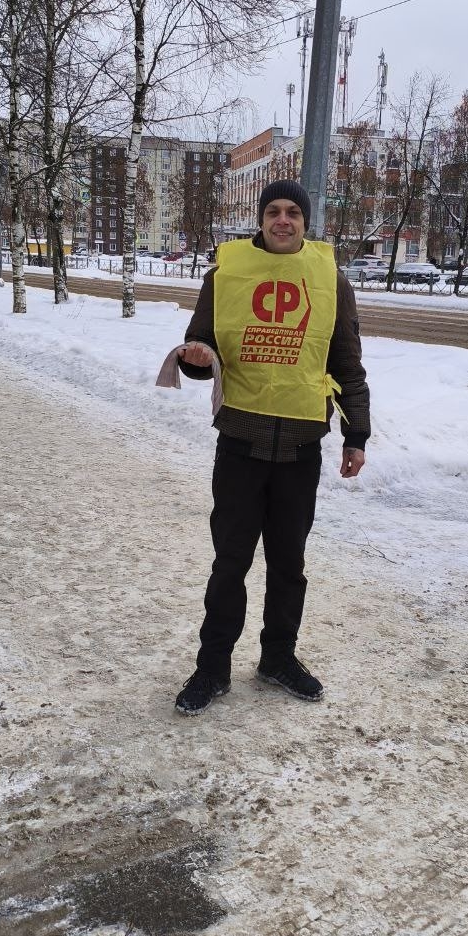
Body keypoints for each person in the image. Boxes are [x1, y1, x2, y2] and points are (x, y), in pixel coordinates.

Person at [173, 180, 371, 715]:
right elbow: (202, 347)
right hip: (240, 444)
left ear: (306, 222)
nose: (283, 220)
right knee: (229, 563)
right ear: (260, 220)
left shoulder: (330, 279)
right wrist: (195, 357)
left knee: (289, 565)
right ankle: (212, 667)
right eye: (273, 212)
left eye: (293, 213)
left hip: (301, 449)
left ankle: (278, 658)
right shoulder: (226, 273)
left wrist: (356, 434)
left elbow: (347, 363)